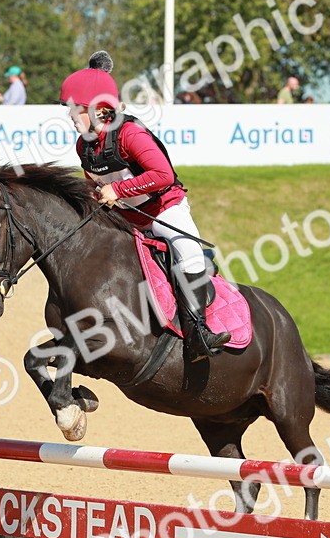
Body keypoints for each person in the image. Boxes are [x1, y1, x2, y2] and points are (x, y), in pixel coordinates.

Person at [59, 51, 231, 361]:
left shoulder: (130, 134)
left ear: (99, 109)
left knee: (189, 254)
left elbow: (163, 175)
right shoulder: (84, 145)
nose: (71, 116)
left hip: (165, 210)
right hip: (127, 219)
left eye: (75, 109)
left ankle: (198, 335)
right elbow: (95, 183)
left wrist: (118, 188)